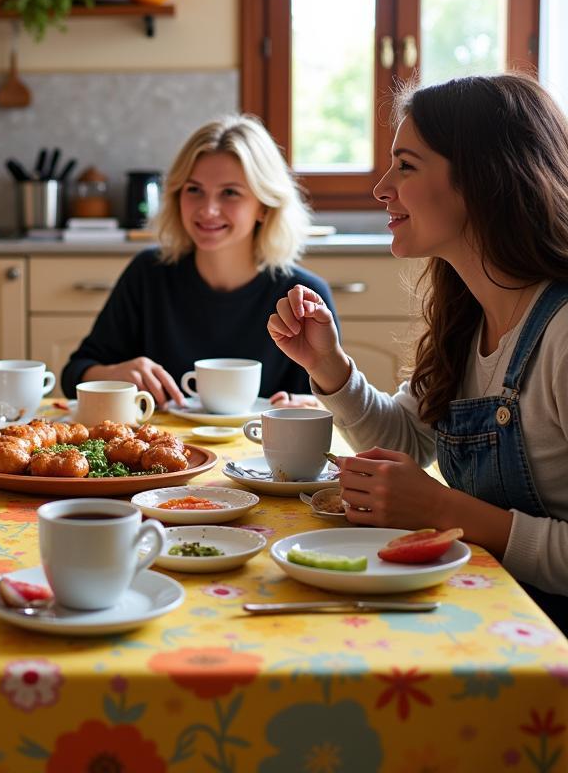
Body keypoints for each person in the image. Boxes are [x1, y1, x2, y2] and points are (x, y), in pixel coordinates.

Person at [268, 73, 568, 632]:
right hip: (496, 611)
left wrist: (444, 510)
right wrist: (328, 366)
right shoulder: (470, 317)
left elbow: (437, 497)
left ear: (483, 179)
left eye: (405, 166)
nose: (382, 188)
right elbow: (409, 438)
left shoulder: (562, 335)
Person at [61, 115, 337, 406]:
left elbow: (332, 403)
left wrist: (315, 405)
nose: (208, 210)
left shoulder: (303, 296)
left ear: (264, 207)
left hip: (262, 449)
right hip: (162, 448)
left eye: (230, 193)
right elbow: (73, 375)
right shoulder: (147, 274)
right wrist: (113, 373)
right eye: (194, 190)